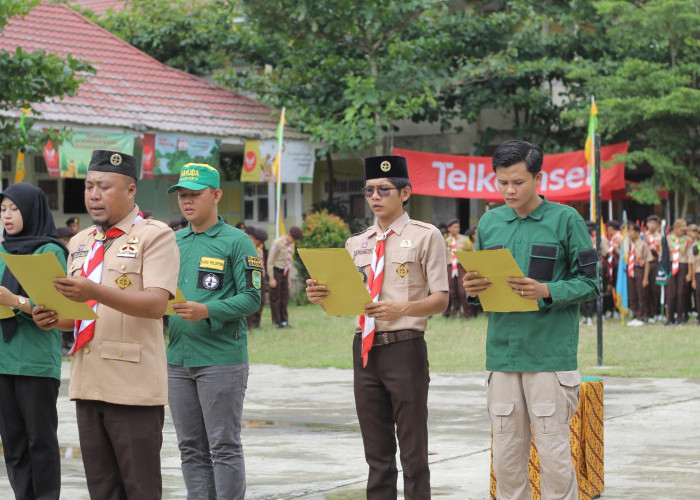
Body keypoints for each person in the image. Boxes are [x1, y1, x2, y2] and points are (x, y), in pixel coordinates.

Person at [32, 149, 180, 499]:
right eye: (88, 187)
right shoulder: (81, 242)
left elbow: (157, 303)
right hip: (87, 382)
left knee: (140, 488)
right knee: (102, 489)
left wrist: (94, 289)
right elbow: (77, 316)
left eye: (104, 187)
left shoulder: (154, 236)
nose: (94, 195)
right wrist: (52, 318)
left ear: (131, 191)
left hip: (132, 385)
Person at [462, 140, 599, 500]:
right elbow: (481, 287)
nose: (509, 190)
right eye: (502, 182)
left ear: (539, 177)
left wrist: (547, 290)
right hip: (502, 356)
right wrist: (472, 288)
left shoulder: (566, 220)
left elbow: (591, 283)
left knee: (554, 455)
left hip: (549, 357)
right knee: (506, 457)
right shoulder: (489, 222)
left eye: (518, 182)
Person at [306, 155, 448, 499]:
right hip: (365, 349)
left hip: (405, 346)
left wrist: (403, 307)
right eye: (369, 190)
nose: (375, 197)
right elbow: (345, 301)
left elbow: (441, 299)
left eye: (384, 189)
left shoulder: (426, 236)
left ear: (405, 193)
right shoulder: (357, 243)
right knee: (377, 452)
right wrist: (321, 295)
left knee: (413, 451)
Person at [167, 163, 262, 499]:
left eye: (195, 195)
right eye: (182, 195)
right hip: (178, 358)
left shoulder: (238, 242)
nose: (187, 202)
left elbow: (252, 298)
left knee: (223, 445)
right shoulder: (172, 240)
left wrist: (207, 310)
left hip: (221, 358)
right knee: (190, 446)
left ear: (216, 195)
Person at [0, 183, 67, 500]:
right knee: (13, 445)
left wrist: (16, 300)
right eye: (2, 209)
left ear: (32, 210)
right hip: (4, 359)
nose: (7, 216)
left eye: (14, 208)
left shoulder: (49, 251)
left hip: (36, 363)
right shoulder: (2, 252)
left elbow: (59, 309)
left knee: (39, 442)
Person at [267, 225, 303, 328]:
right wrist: (271, 278)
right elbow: (270, 261)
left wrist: (288, 278)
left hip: (285, 273)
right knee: (276, 298)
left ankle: (284, 321)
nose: (294, 241)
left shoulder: (290, 245)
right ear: (289, 235)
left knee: (285, 297)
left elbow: (288, 262)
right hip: (276, 272)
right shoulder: (277, 243)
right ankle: (277, 321)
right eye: (294, 239)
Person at [443, 218, 474, 319]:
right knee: (451, 290)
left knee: (463, 290)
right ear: (449, 228)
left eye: (458, 227)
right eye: (454, 227)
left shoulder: (465, 239)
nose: (457, 229)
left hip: (461, 267)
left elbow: (472, 251)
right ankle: (455, 312)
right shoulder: (445, 240)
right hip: (450, 266)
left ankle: (468, 314)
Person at [664, 218, 691, 326]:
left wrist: (689, 273)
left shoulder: (688, 240)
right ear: (675, 228)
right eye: (681, 229)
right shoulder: (667, 239)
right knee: (671, 293)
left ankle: (679, 318)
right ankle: (670, 318)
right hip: (671, 266)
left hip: (683, 266)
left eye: (685, 229)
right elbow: (664, 255)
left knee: (681, 292)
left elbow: (690, 257)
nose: (683, 231)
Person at [626, 223, 650, 326]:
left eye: (631, 231)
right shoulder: (627, 244)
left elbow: (647, 261)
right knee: (632, 294)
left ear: (637, 233)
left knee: (641, 294)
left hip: (639, 270)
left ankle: (641, 317)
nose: (629, 233)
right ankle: (635, 315)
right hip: (630, 270)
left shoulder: (643, 244)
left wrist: (645, 278)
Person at [246, 227, 268, 329]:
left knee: (261, 299)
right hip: (253, 276)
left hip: (260, 277)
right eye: (259, 241)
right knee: (252, 298)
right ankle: (249, 323)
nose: (260, 243)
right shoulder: (248, 248)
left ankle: (256, 323)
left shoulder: (259, 249)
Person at [643, 214, 663, 322]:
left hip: (655, 263)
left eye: (653, 223)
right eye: (649, 223)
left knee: (655, 289)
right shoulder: (643, 236)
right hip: (645, 264)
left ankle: (654, 312)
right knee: (645, 289)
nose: (651, 225)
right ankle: (646, 313)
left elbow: (661, 252)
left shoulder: (660, 236)